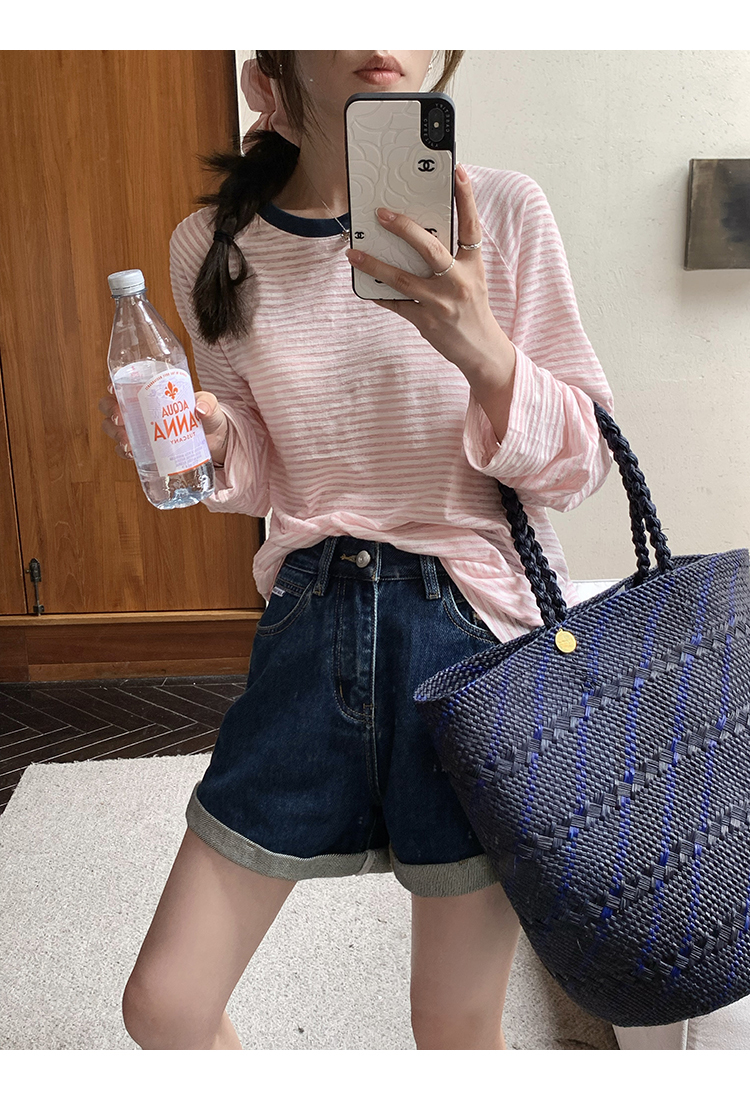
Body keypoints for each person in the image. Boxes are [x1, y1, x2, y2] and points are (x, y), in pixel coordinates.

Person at [99, 50, 615, 1050]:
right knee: (165, 1004)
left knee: (453, 1025)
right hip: (310, 625)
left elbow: (580, 465)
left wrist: (482, 347)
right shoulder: (212, 244)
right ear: (272, 69)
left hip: (474, 641)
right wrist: (214, 441)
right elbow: (266, 472)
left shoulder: (500, 212)